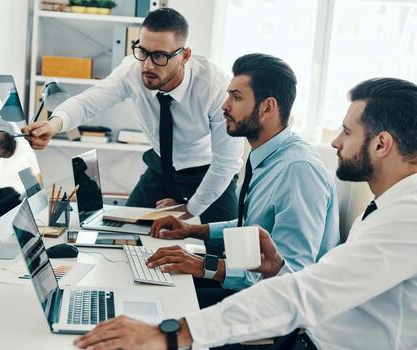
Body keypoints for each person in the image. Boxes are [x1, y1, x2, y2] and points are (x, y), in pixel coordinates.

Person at [73, 77, 417, 350]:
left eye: (346, 131)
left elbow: (309, 290)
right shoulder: (385, 207)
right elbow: (326, 283)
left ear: (382, 144)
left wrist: (171, 335)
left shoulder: (406, 218)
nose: (335, 143)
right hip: (302, 331)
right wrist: (275, 268)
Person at [147, 53, 340, 308]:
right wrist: (193, 230)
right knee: (155, 283)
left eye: (236, 97)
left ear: (268, 107)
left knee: (162, 305)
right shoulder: (267, 156)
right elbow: (251, 226)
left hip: (274, 307)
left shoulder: (297, 171)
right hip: (250, 287)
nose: (224, 106)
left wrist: (205, 265)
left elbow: (291, 273)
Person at [22, 8, 243, 224]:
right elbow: (90, 101)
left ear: (184, 56)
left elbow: (227, 161)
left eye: (159, 56)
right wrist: (54, 124)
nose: (147, 65)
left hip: (208, 171)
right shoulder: (132, 70)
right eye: (142, 51)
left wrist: (189, 209)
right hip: (161, 168)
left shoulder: (215, 88)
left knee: (224, 246)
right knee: (120, 231)